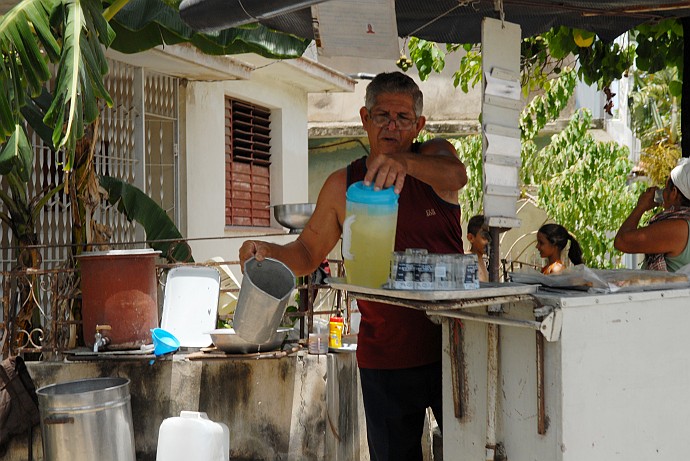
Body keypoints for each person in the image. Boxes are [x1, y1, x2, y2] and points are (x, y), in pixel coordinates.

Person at [239, 71, 467, 460]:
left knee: (470, 451)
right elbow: (309, 252)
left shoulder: (434, 160)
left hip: (452, 349)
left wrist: (403, 164)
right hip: (385, 358)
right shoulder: (344, 185)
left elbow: (457, 175)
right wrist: (268, 252)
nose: (392, 126)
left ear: (419, 126)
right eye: (382, 116)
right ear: (365, 118)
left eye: (403, 118)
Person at [614, 159, 690, 271]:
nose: (662, 192)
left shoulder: (679, 228)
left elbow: (622, 241)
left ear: (674, 193)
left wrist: (640, 207)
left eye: (665, 188)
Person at [466, 214, 490, 282]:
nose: (488, 242)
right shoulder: (468, 260)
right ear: (471, 238)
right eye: (484, 237)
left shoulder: (481, 259)